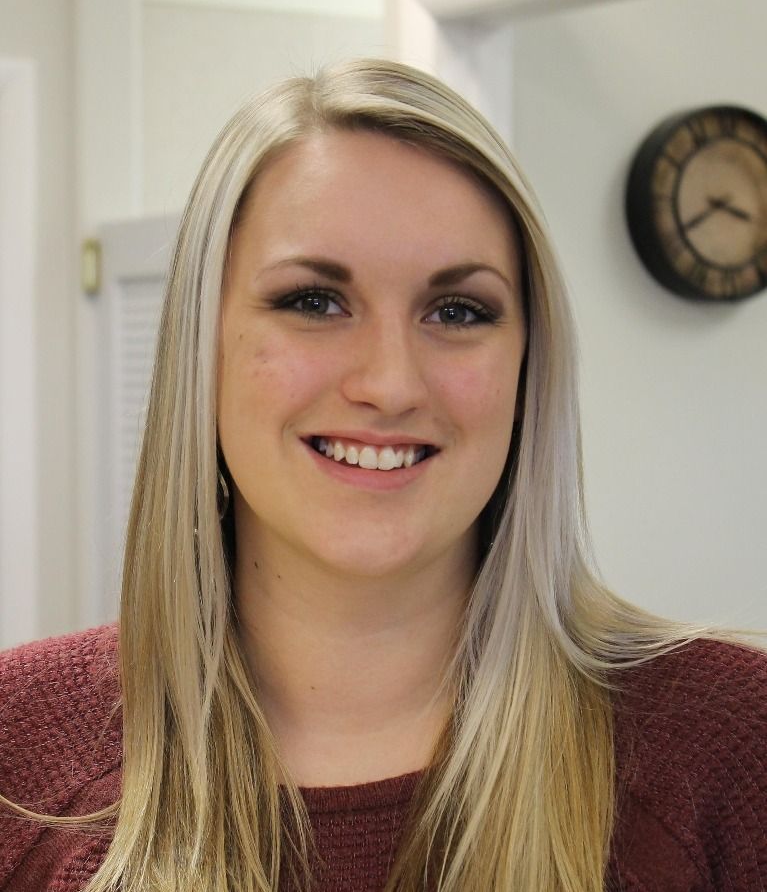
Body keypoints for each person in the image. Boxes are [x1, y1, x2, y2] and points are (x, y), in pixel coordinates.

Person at [1, 59, 765, 892]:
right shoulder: (22, 744)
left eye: (458, 311)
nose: (391, 384)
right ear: (202, 344)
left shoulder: (727, 746)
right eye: (313, 301)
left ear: (528, 364)